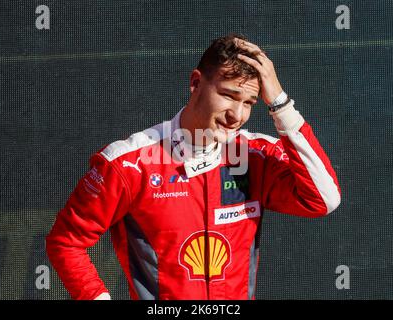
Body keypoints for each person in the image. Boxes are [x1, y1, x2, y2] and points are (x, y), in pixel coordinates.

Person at [46, 33, 341, 300]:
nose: (236, 115)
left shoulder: (254, 155)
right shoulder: (129, 163)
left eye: (250, 102)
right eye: (228, 95)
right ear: (196, 82)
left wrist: (279, 103)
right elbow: (66, 242)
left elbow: (323, 199)